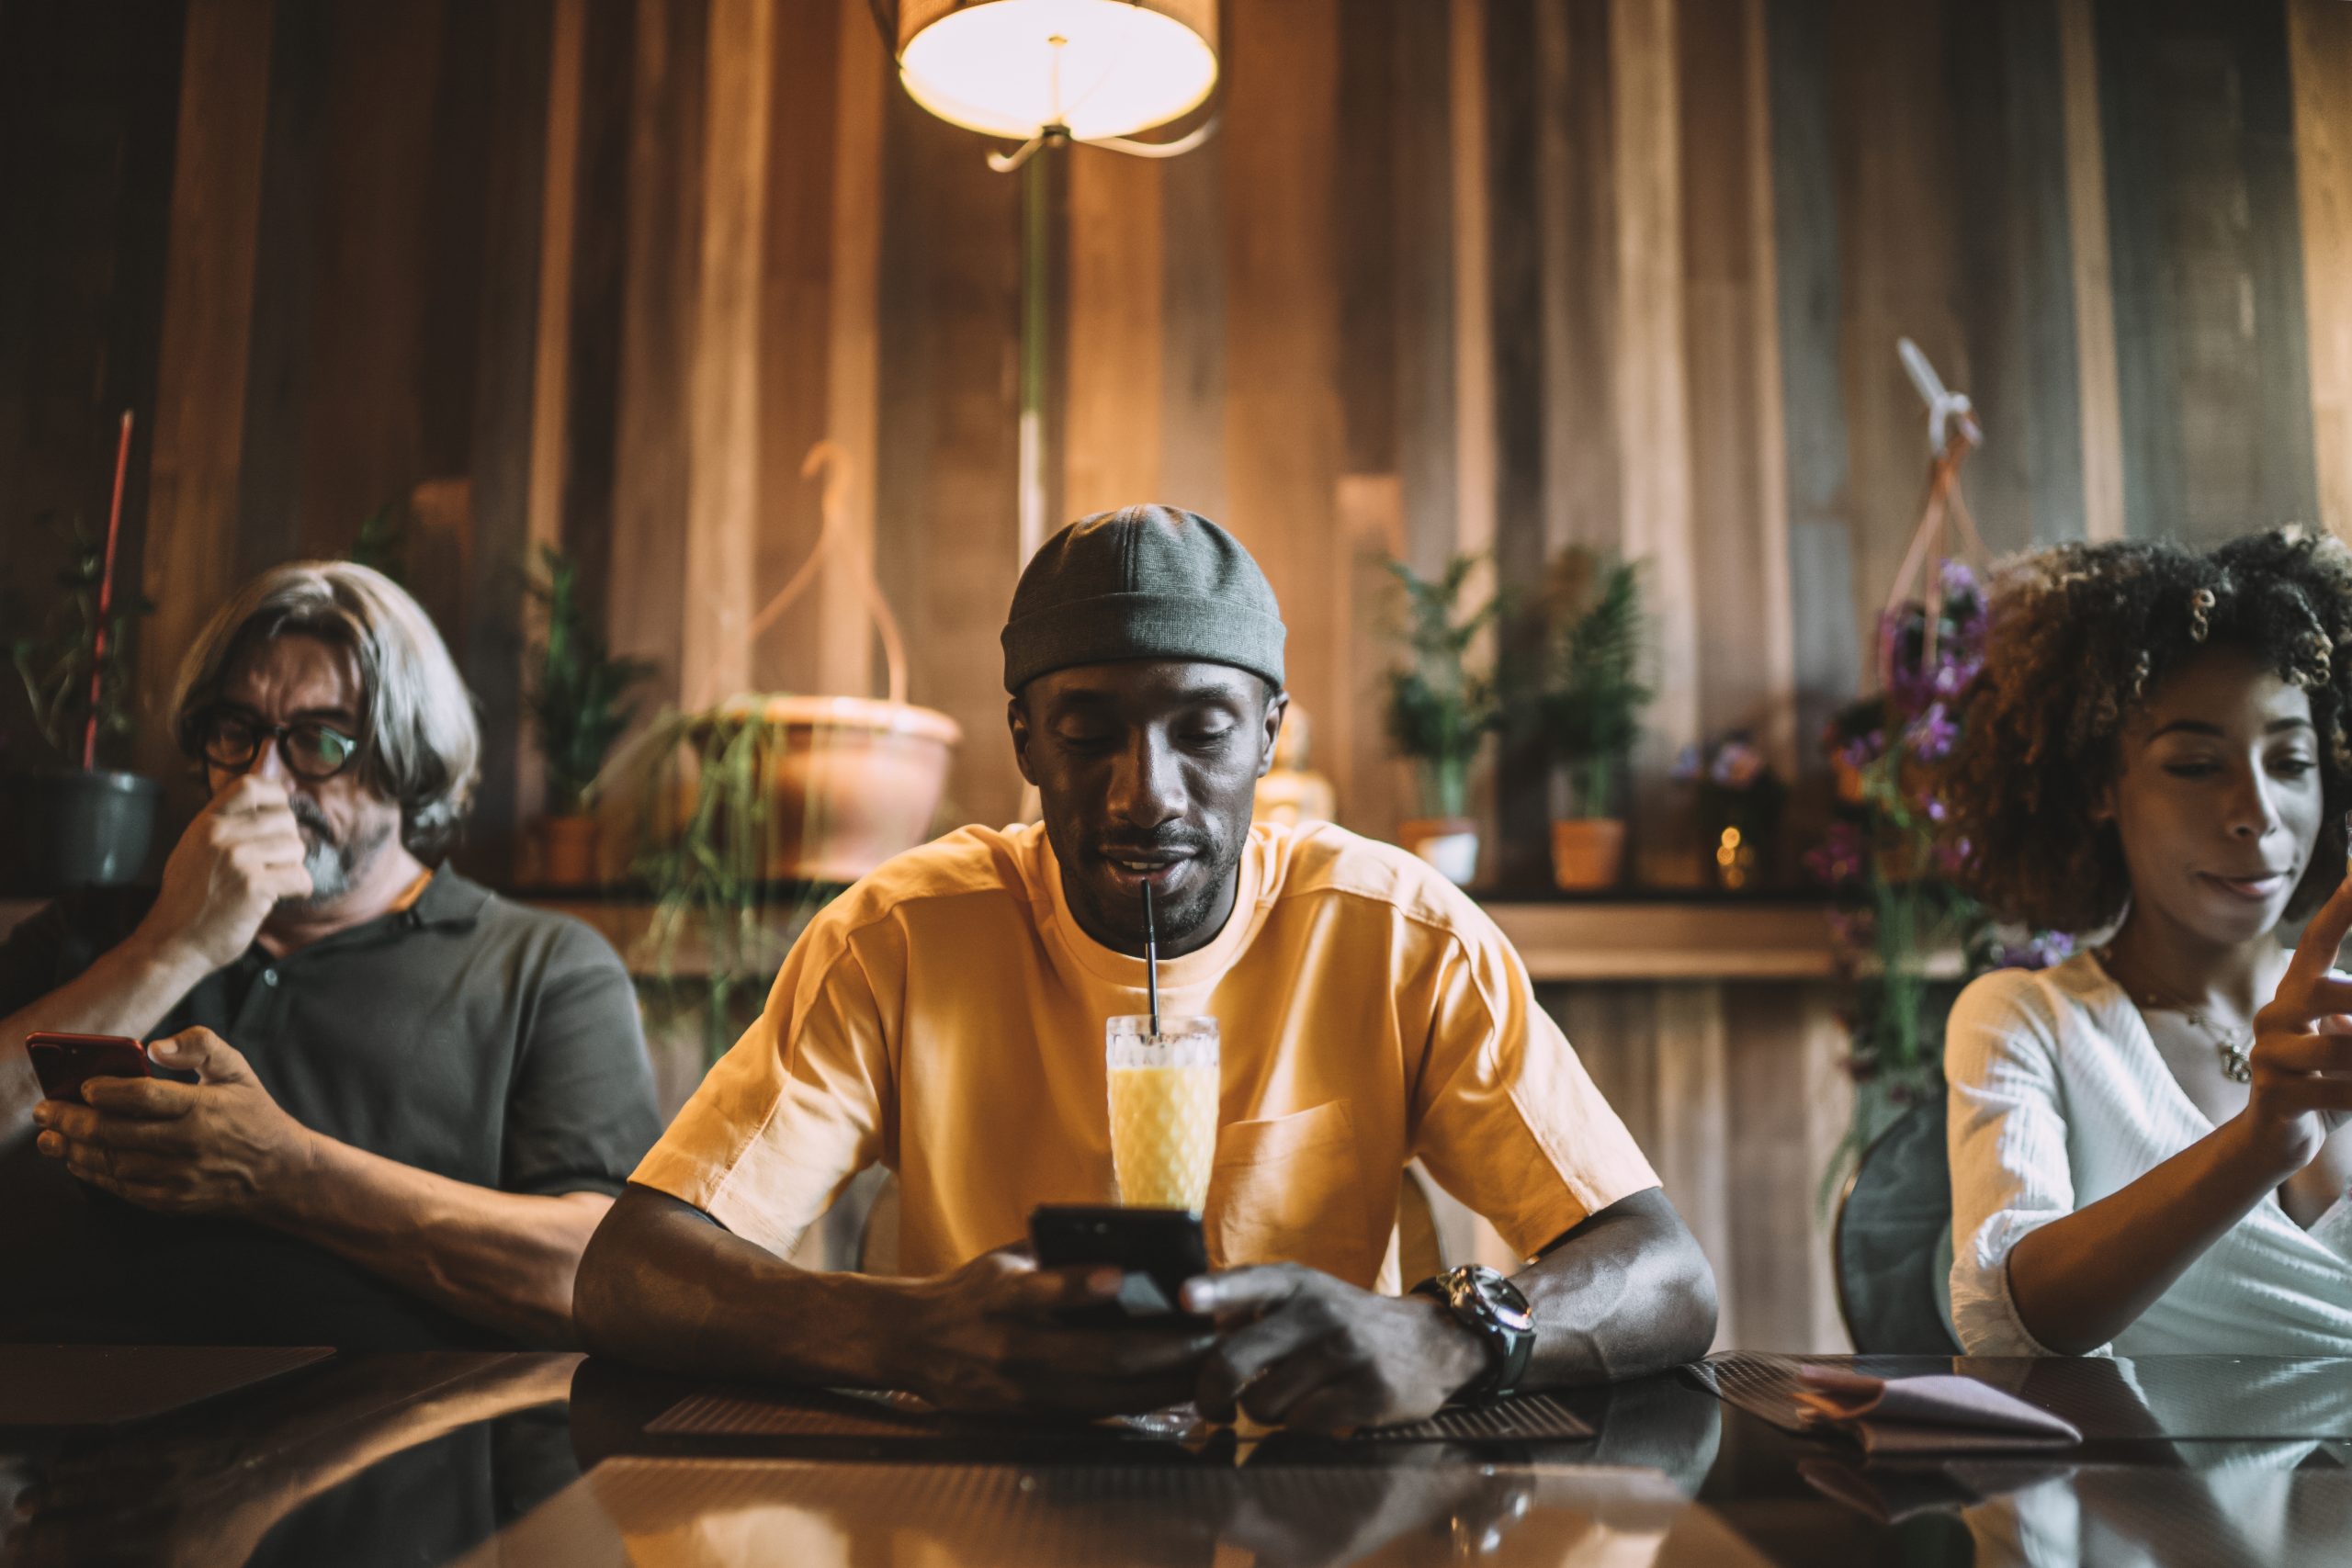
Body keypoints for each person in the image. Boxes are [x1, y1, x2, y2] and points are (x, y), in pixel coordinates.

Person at [576, 505, 1715, 1431]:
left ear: (1269, 734)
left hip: (1324, 1511)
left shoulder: (1401, 936)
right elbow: (632, 1272)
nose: (1145, 794)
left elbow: (1665, 1274)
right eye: (1087, 735)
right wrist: (902, 1334)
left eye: (1202, 731)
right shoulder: (898, 938)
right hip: (975, 1504)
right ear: (1025, 739)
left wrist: (1449, 1335)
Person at [0, 560, 662, 1348]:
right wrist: (170, 946)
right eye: (236, 730)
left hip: (389, 1424)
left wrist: (282, 1172)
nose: (264, 780)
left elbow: (600, 1275)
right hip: (50, 1413)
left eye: (318, 739)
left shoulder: (544, 968)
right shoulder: (88, 931)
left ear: (408, 761)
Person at [1941, 526, 2352, 1356]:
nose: (2258, 812)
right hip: (2140, 1452)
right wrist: (2256, 1144)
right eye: (2197, 765)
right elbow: (2004, 1321)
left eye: (2290, 761)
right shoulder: (2029, 1020)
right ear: (2100, 785)